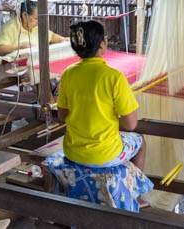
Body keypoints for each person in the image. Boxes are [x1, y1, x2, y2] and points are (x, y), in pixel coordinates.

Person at [48, 20, 152, 213]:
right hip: (105, 154)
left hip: (73, 152)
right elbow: (131, 125)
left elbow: (62, 116)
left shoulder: (68, 74)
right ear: (103, 43)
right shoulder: (114, 77)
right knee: (140, 141)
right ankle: (136, 195)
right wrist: (108, 118)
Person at [0, 0, 67, 56]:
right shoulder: (9, 28)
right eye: (36, 18)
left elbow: (52, 36)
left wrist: (64, 40)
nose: (38, 21)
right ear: (25, 15)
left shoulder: (36, 27)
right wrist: (20, 46)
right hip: (14, 69)